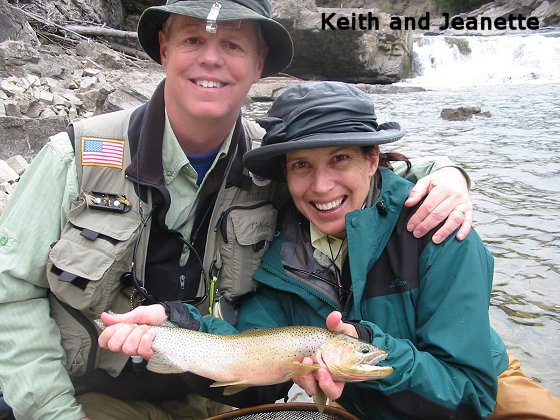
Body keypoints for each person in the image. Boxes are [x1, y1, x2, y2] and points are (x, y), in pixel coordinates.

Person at [0, 1, 474, 419]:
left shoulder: (279, 161)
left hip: (214, 394)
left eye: (232, 44)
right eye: (192, 39)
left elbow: (364, 178)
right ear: (163, 49)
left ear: (259, 63)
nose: (211, 58)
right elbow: (9, 296)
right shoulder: (76, 156)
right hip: (84, 397)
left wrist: (450, 174)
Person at [99, 81, 560, 419]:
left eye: (340, 158)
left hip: (473, 386)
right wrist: (178, 325)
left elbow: (469, 395)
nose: (321, 186)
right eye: (302, 166)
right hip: (358, 402)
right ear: (286, 174)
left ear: (373, 158)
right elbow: (247, 353)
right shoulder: (274, 249)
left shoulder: (437, 225)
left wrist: (373, 348)